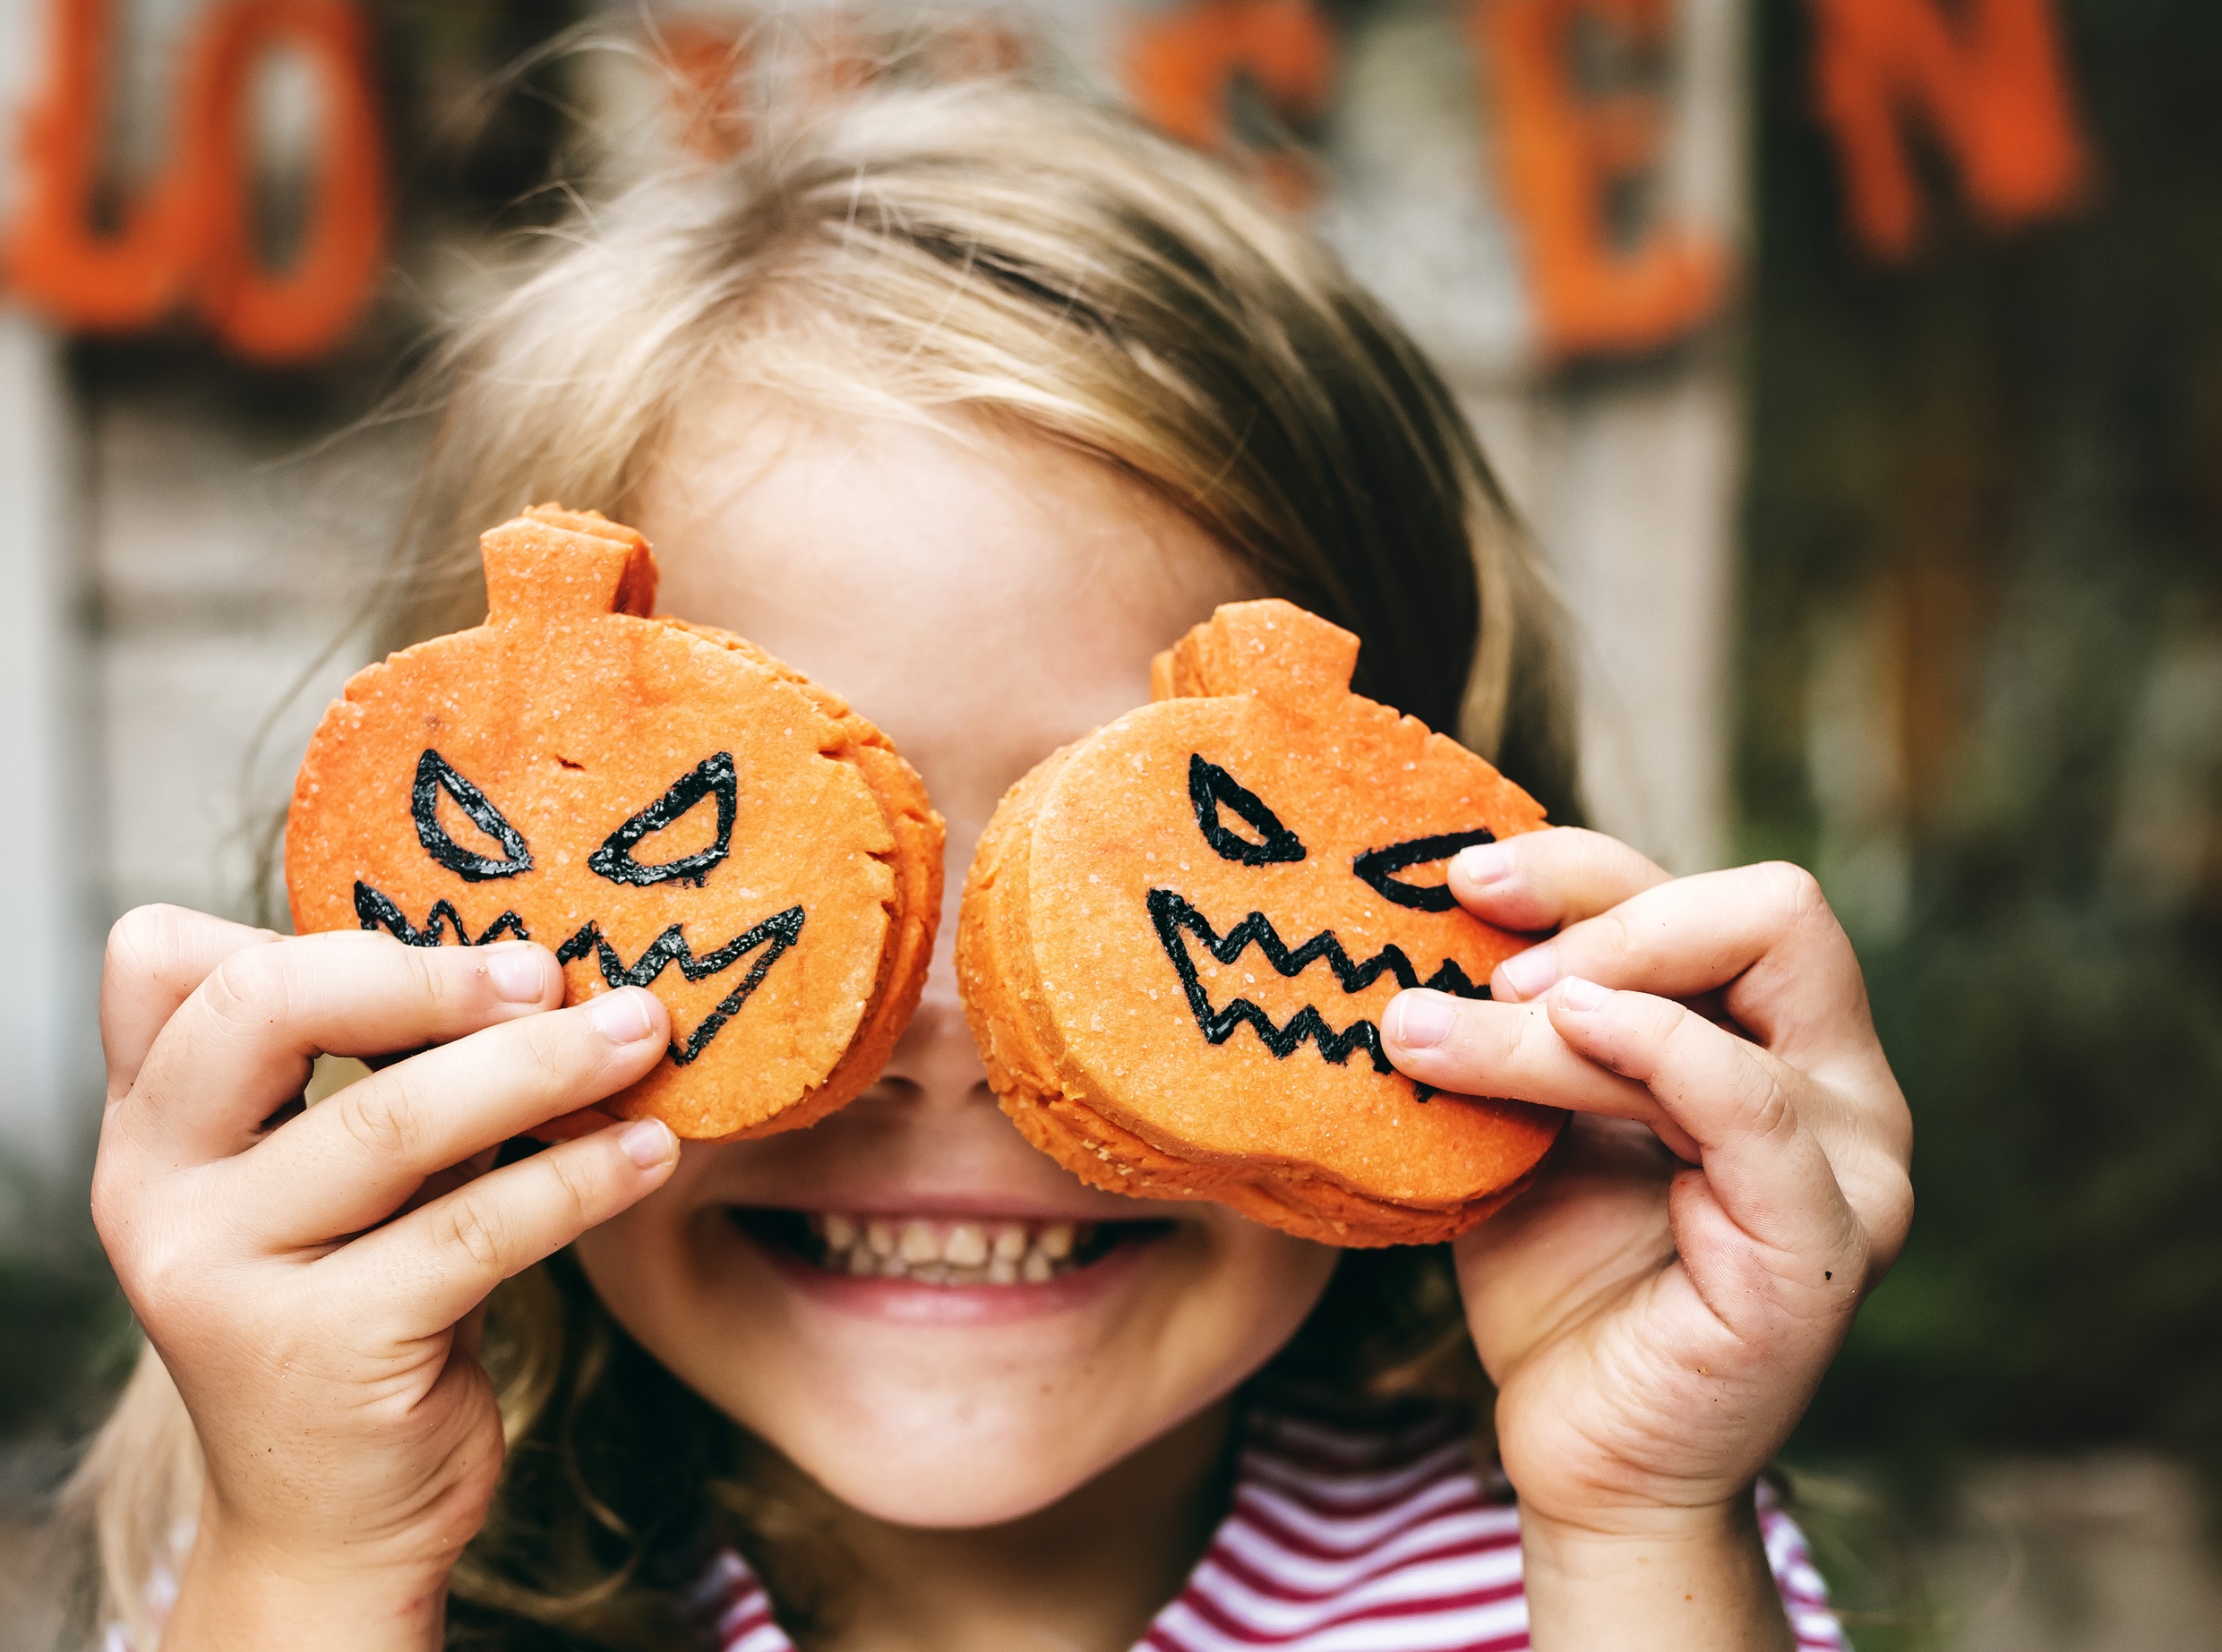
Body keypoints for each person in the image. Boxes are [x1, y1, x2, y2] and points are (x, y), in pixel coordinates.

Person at [66, 78, 1913, 1652]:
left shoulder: (1581, 1556)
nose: (945, 1035)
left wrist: (1644, 1515)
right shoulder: (358, 1556)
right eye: (778, 868)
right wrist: (306, 1550)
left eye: (1093, 876)